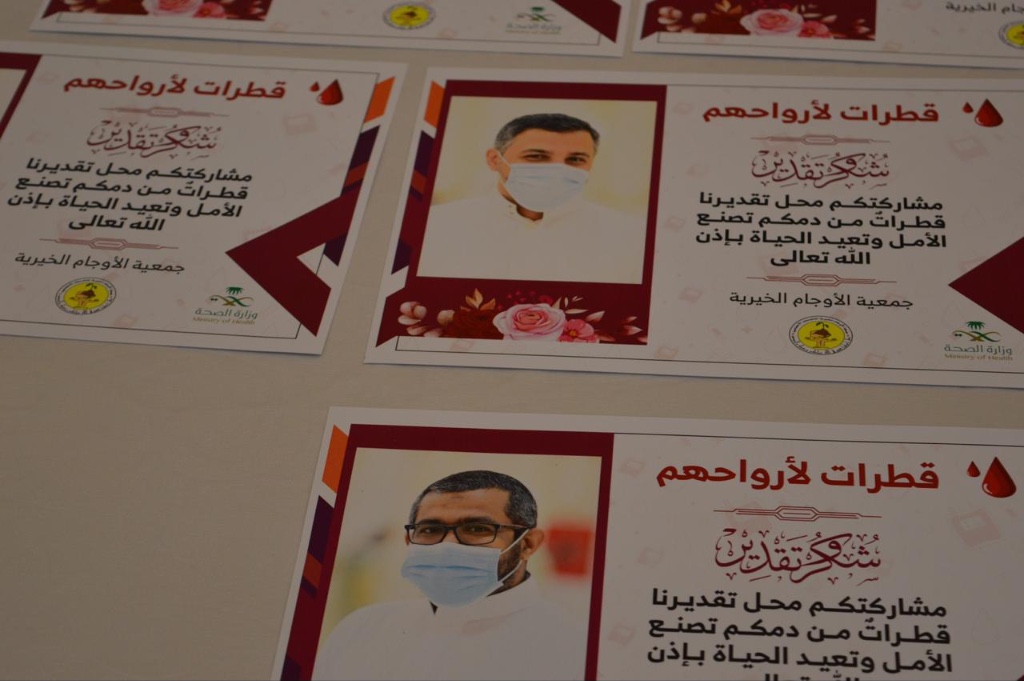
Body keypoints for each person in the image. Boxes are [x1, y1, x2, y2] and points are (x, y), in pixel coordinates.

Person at [312, 470, 588, 681]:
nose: (448, 546)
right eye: (430, 530)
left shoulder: (574, 648)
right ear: (410, 541)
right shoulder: (361, 629)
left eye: (477, 529)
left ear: (528, 544)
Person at [417, 112, 647, 284]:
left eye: (576, 159)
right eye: (536, 156)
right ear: (494, 160)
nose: (558, 170)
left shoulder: (632, 238)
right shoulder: (432, 227)